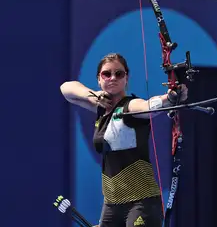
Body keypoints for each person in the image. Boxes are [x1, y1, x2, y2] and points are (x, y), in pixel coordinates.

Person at [60, 53, 188, 227]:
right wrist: (95, 95)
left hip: (142, 201)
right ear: (99, 79)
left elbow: (148, 106)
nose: (113, 78)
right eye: (107, 74)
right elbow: (66, 89)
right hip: (112, 204)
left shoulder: (131, 106)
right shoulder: (100, 108)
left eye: (119, 74)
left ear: (126, 78)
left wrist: (170, 98)